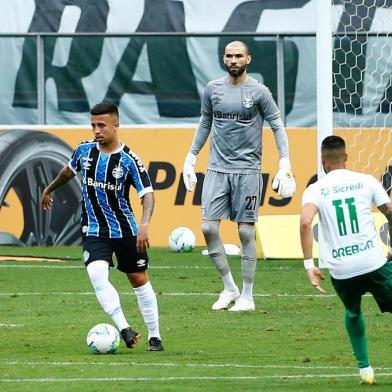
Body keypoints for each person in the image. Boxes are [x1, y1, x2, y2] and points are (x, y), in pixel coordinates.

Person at [183, 40, 296, 312]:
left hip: (247, 171)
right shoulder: (213, 89)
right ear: (224, 59)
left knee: (245, 231)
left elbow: (277, 126)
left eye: (238, 56)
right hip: (216, 169)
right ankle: (229, 288)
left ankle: (247, 296)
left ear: (248, 59)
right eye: (229, 56)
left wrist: (284, 162)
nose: (233, 60)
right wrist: (191, 156)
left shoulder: (258, 91)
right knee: (208, 228)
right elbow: (205, 122)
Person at [41, 102, 163, 351]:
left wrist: (145, 225)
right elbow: (68, 170)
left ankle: (154, 335)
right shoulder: (84, 150)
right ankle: (125, 328)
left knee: (138, 279)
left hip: (125, 230)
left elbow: (147, 194)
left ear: (116, 125)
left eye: (102, 125)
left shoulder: (129, 159)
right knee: (97, 273)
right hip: (94, 229)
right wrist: (49, 188)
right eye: (93, 125)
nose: (97, 130)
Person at [300, 135, 392, 385]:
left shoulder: (314, 189)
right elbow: (390, 212)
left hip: (342, 270)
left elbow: (306, 222)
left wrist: (309, 265)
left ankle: (365, 370)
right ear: (346, 157)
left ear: (323, 161)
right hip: (374, 263)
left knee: (352, 311)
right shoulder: (366, 181)